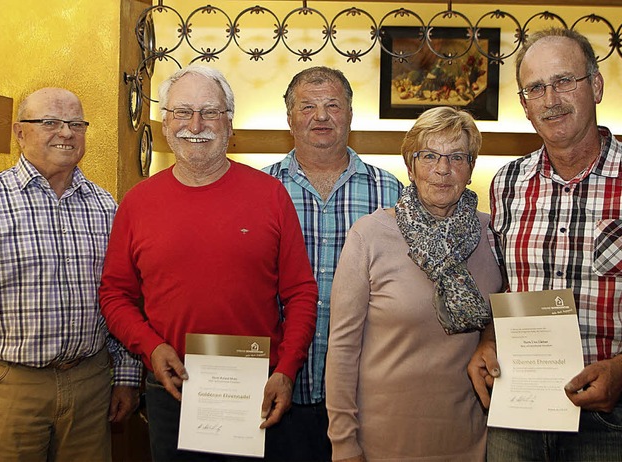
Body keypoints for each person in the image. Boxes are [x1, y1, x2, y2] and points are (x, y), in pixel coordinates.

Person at [99, 64, 318, 461]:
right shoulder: (137, 202)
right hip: (171, 388)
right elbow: (115, 295)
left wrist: (287, 370)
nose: (195, 124)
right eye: (182, 112)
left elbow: (301, 292)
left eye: (210, 112)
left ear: (229, 124)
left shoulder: (270, 196)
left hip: (259, 391)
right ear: (165, 122)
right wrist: (151, 348)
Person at [467, 27, 622, 461]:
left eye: (564, 81)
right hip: (519, 407)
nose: (551, 99)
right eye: (536, 88)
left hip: (610, 420)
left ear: (596, 85)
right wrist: (488, 340)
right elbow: (503, 287)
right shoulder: (507, 184)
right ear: (525, 106)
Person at [325, 106, 502, 461]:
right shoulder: (369, 236)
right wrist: (343, 443)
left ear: (471, 168)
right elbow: (343, 350)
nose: (442, 169)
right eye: (429, 156)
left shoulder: (494, 234)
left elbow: (503, 321)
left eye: (456, 157)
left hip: (471, 440)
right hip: (381, 441)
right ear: (410, 166)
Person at [0, 87, 141, 461]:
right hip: (8, 389)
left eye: (76, 123)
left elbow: (123, 296)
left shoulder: (106, 206)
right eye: (50, 122)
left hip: (91, 385)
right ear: (20, 133)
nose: (66, 133)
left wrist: (127, 376)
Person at [263, 66, 402, 462]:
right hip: (277, 388)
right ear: (289, 118)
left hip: (365, 392)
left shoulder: (389, 190)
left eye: (332, 106)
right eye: (307, 106)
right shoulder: (261, 189)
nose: (321, 116)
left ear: (351, 115)